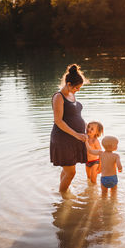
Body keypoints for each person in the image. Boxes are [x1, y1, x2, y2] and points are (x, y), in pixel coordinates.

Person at [50, 64, 88, 193]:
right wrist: (77, 135)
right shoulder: (58, 97)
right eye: (76, 87)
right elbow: (58, 121)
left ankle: (62, 190)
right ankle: (63, 198)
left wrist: (86, 127)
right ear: (68, 83)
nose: (77, 90)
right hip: (63, 138)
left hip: (74, 137)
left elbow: (75, 115)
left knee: (67, 169)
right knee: (71, 172)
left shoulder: (72, 95)